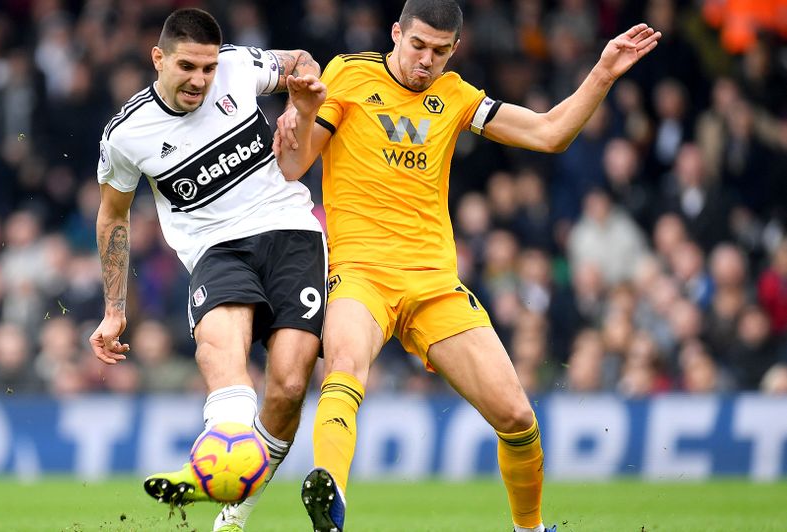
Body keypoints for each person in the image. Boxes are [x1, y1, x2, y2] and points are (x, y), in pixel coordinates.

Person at [276, 1, 661, 531]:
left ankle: (529, 529)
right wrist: (300, 111)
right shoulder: (348, 74)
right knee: (343, 366)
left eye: (439, 51)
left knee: (518, 418)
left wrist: (602, 73)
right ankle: (331, 495)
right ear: (396, 33)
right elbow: (294, 166)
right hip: (360, 273)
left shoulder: (455, 96)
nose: (425, 62)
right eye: (417, 46)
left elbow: (549, 133)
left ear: (454, 50)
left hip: (434, 283)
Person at [88, 8, 326, 532]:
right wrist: (113, 308)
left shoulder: (240, 68)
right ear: (159, 58)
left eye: (208, 68)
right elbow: (113, 215)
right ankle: (214, 458)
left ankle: (234, 505)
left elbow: (304, 62)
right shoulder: (126, 135)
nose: (200, 79)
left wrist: (297, 102)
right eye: (188, 67)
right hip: (216, 248)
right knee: (219, 345)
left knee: (286, 388)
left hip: (291, 231)